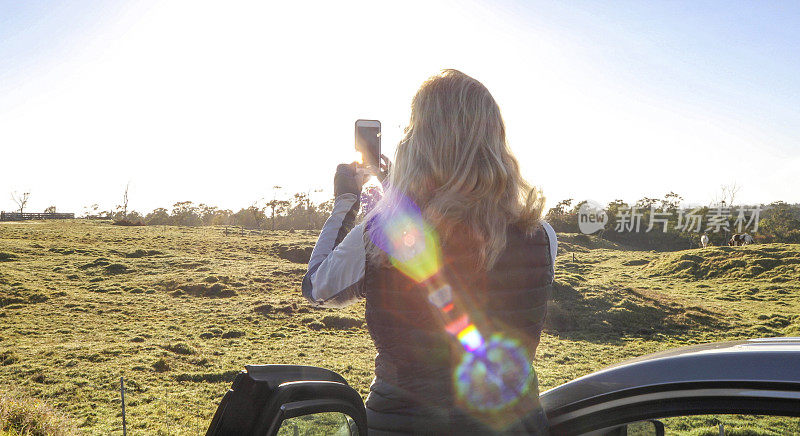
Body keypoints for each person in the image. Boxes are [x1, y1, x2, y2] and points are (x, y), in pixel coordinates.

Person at [302, 69, 556, 435]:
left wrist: (346, 199)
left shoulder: (379, 232)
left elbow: (317, 287)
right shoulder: (542, 235)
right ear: (496, 141)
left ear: (418, 141)